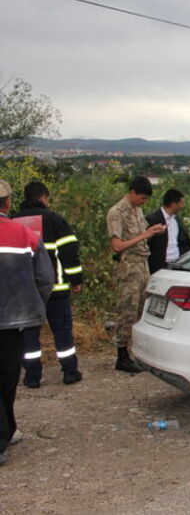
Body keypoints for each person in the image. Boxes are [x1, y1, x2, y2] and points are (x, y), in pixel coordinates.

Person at [0, 179, 54, 466]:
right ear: (7, 204)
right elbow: (45, 280)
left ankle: (5, 434)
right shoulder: (25, 234)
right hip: (14, 320)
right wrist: (34, 307)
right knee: (8, 377)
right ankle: (6, 431)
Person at [13, 181, 84, 388]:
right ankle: (70, 372)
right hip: (56, 289)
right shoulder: (55, 220)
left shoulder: (12, 222)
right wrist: (76, 280)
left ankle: (32, 377)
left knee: (29, 334)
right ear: (44, 197)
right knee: (62, 331)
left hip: (25, 291)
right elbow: (69, 253)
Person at [106, 176, 166, 373]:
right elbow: (117, 246)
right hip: (129, 265)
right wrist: (145, 235)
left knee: (142, 309)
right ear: (132, 192)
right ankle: (121, 355)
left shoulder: (137, 210)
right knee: (128, 309)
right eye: (142, 198)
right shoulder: (117, 212)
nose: (144, 203)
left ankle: (137, 351)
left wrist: (152, 231)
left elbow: (139, 236)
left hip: (142, 264)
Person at [146, 188, 190, 274]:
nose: (183, 206)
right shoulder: (153, 219)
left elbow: (183, 241)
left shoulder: (177, 220)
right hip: (159, 267)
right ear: (173, 204)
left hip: (177, 264)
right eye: (181, 203)